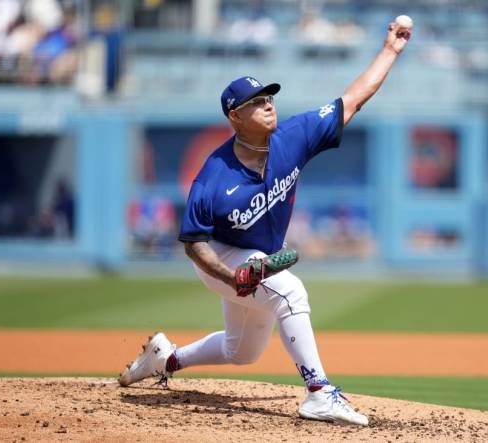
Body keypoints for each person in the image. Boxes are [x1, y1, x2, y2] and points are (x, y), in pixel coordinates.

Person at [118, 20, 411, 426]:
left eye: (269, 95)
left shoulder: (294, 136)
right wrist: (228, 274)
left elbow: (354, 98)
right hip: (218, 256)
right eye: (257, 101)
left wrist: (390, 51)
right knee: (290, 293)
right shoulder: (213, 177)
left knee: (244, 352)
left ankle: (166, 358)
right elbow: (193, 243)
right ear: (235, 116)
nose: (269, 103)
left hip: (258, 256)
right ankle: (319, 393)